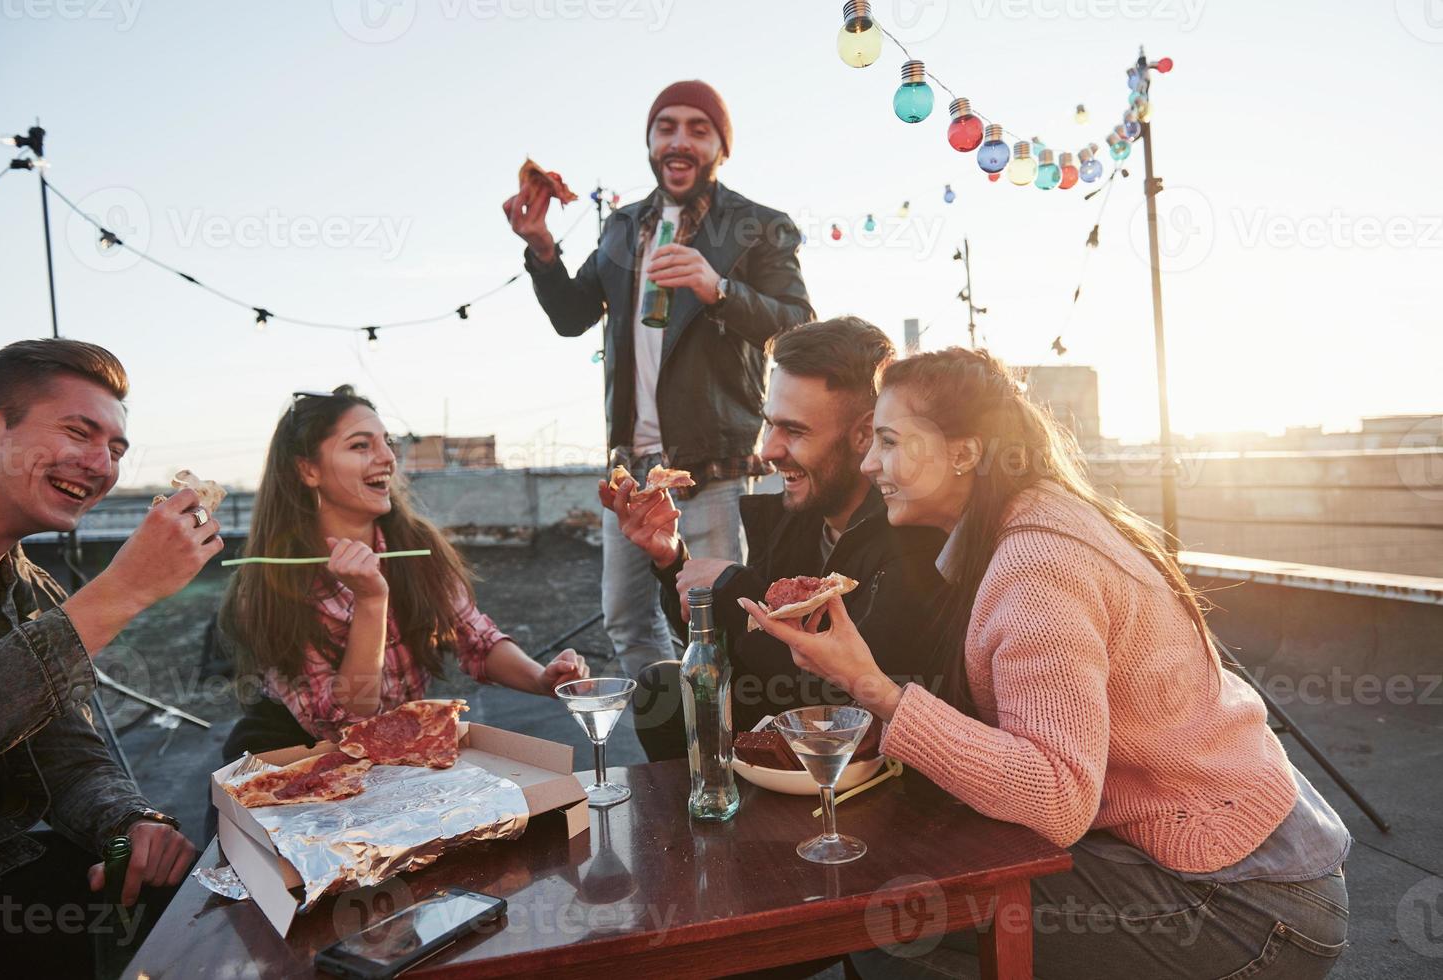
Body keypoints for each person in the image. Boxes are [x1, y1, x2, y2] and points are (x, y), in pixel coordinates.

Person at [742, 347, 1351, 979]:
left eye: (890, 442)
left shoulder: (1037, 564)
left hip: (1247, 906)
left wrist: (870, 687)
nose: (870, 464)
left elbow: (1059, 800)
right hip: (1258, 863)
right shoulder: (1032, 516)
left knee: (895, 923)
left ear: (964, 453)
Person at [504, 79, 815, 677]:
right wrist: (543, 249)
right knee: (626, 619)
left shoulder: (757, 226)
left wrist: (718, 289)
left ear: (721, 147)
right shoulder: (623, 226)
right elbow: (572, 317)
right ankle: (674, 749)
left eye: (699, 129)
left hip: (715, 464)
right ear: (649, 140)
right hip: (631, 469)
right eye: (666, 126)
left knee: (723, 620)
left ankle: (729, 757)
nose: (680, 140)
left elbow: (799, 329)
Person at [600, 318, 946, 760]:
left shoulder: (912, 540)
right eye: (769, 425)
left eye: (795, 431)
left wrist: (738, 590)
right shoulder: (790, 519)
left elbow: (841, 703)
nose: (767, 451)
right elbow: (731, 658)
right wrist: (672, 561)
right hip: (778, 738)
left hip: (864, 765)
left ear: (864, 435)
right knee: (664, 689)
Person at [0, 339, 213, 977]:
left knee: (197, 890)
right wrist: (120, 592)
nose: (100, 465)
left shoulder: (29, 592)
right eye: (79, 432)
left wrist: (131, 820)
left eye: (115, 448)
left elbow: (62, 755)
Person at [218, 387, 589, 759]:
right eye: (361, 446)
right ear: (308, 469)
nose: (387, 458)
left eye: (387, 442)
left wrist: (541, 679)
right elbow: (345, 722)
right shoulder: (270, 584)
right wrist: (371, 601)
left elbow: (476, 638)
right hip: (292, 757)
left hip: (395, 751)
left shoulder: (415, 543)